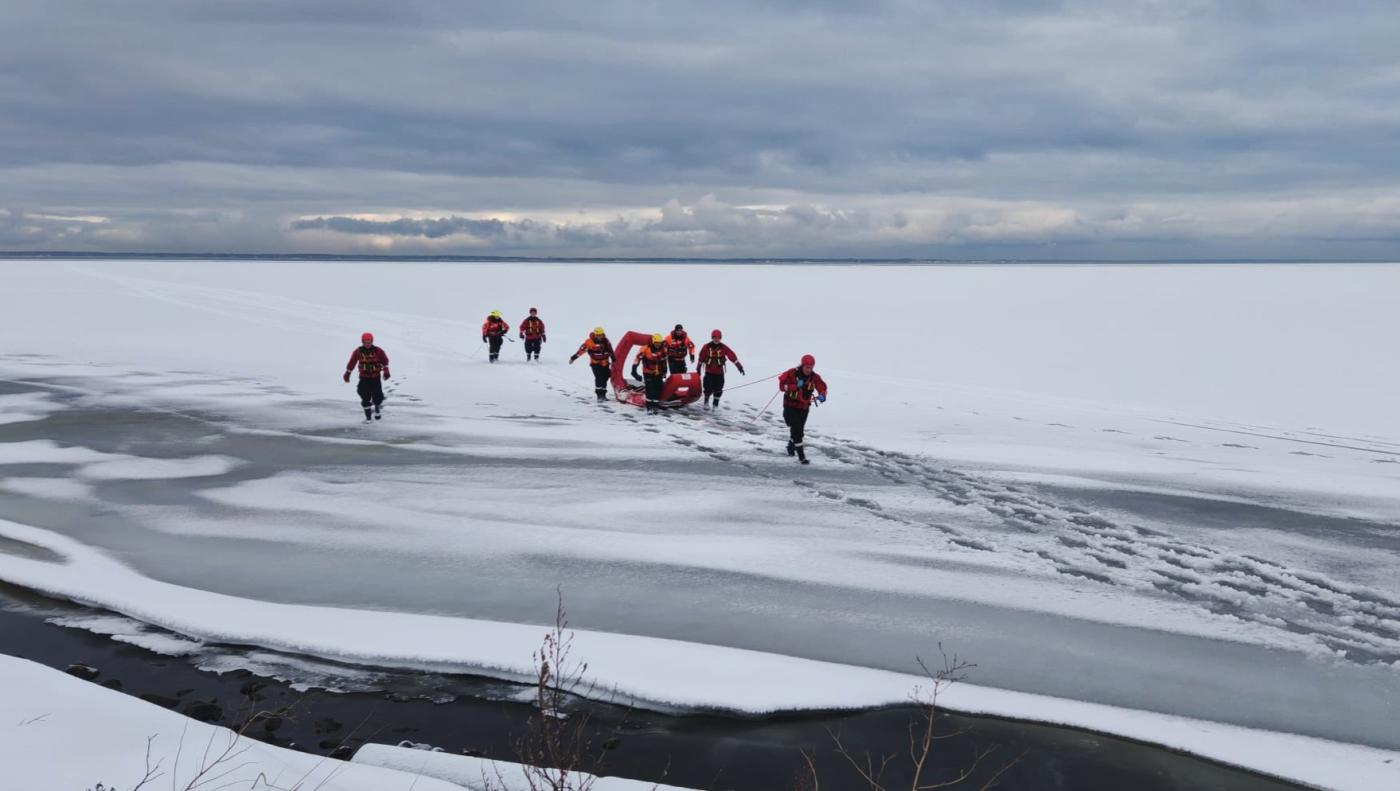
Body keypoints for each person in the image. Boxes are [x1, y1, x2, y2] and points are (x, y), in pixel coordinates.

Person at [776, 354, 827, 464]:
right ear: (802, 365)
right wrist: (795, 386)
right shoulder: (791, 373)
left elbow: (822, 387)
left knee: (798, 431)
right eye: (807, 367)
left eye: (811, 367)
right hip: (790, 406)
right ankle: (802, 457)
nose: (809, 370)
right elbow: (781, 387)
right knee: (796, 429)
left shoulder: (815, 377)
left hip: (804, 408)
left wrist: (823, 395)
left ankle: (791, 444)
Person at [343, 332, 391, 422]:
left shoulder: (378, 351)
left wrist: (386, 371)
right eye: (365, 342)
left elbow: (385, 361)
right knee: (364, 395)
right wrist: (347, 373)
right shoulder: (358, 351)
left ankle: (377, 407)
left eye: (369, 341)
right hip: (364, 377)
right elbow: (352, 362)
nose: (367, 343)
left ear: (372, 341)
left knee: (378, 397)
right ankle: (368, 418)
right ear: (362, 342)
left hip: (375, 377)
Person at [696, 329, 744, 409]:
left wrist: (739, 367)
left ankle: (715, 406)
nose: (716, 339)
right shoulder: (706, 347)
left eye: (718, 337)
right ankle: (706, 403)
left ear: (720, 338)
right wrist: (698, 369)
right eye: (714, 337)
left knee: (718, 389)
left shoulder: (723, 347)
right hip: (709, 372)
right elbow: (701, 358)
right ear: (712, 337)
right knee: (708, 388)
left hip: (719, 373)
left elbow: (732, 357)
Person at [568, 327, 615, 402]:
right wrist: (573, 358)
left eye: (601, 335)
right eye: (598, 335)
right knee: (599, 378)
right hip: (595, 364)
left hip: (605, 363)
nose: (600, 337)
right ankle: (599, 396)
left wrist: (613, 359)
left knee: (606, 377)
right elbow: (581, 351)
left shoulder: (606, 341)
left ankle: (603, 395)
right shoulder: (589, 342)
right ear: (595, 335)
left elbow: (611, 350)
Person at [631, 333, 670, 414]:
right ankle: (649, 407)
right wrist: (634, 370)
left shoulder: (663, 349)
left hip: (658, 372)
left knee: (658, 388)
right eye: (656, 343)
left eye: (659, 343)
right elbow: (637, 359)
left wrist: (665, 371)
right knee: (650, 389)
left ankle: (655, 405)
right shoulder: (645, 349)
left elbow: (665, 361)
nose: (658, 345)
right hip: (648, 372)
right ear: (653, 342)